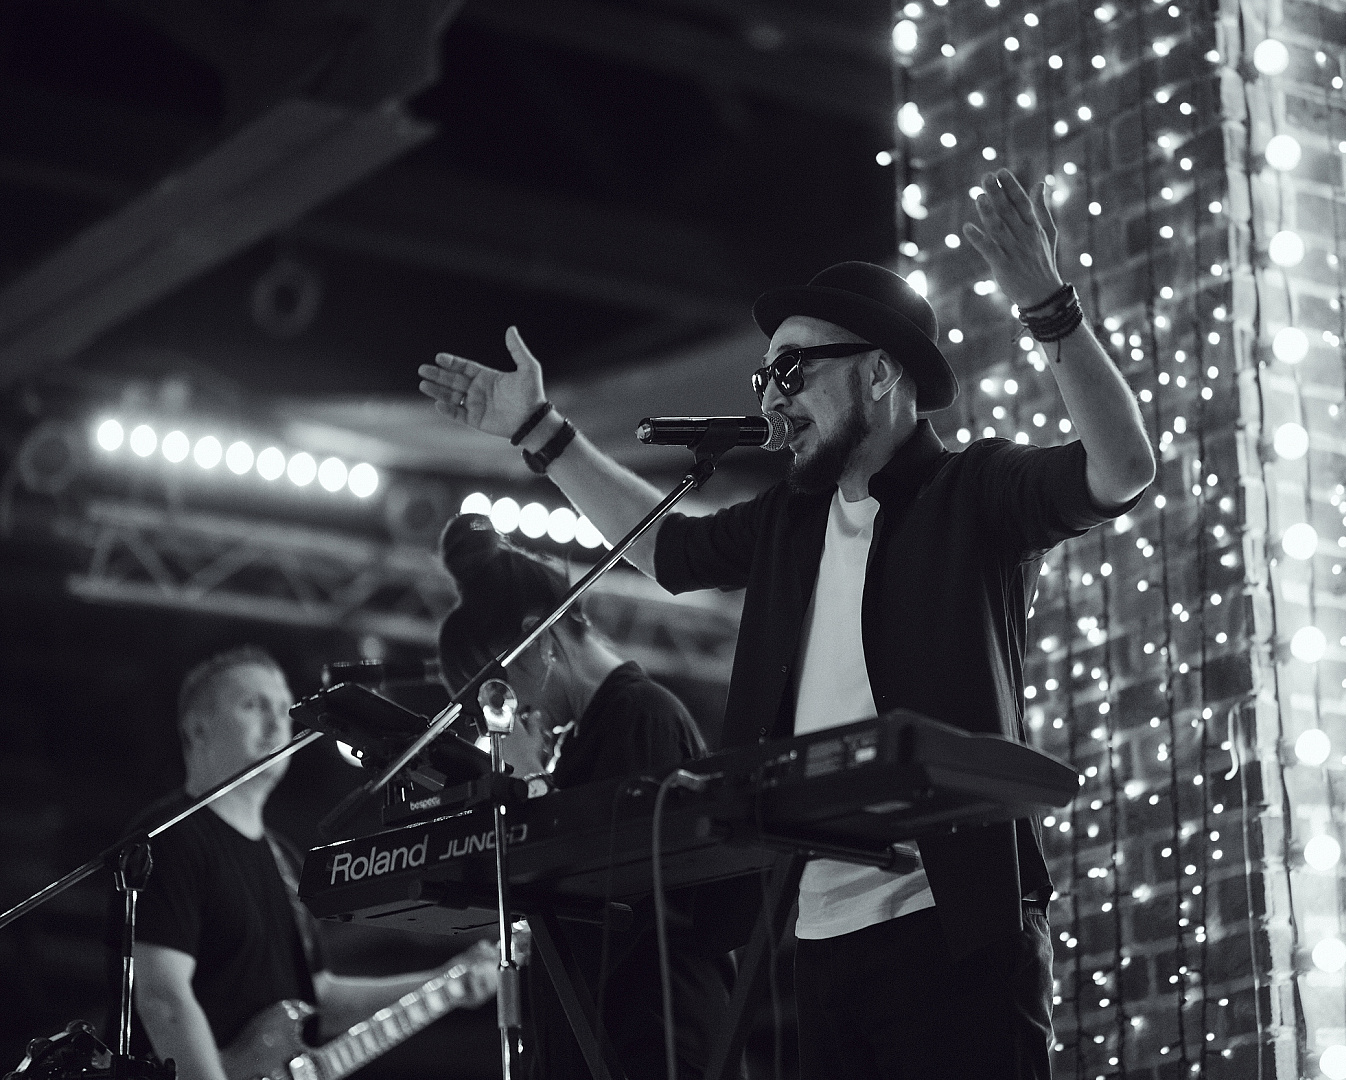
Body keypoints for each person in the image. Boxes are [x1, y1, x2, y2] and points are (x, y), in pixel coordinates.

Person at [418, 167, 1156, 1079]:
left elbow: (1121, 470)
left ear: (880, 372)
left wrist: (1049, 308)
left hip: (956, 928)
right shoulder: (790, 525)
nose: (771, 398)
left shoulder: (972, 491)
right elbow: (668, 550)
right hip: (817, 934)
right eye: (765, 375)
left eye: (794, 371)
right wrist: (540, 429)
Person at [435, 514, 733, 1080]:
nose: (502, 719)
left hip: (655, 1045)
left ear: (538, 641)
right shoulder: (585, 740)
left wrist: (532, 780)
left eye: (496, 696)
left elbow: (617, 911)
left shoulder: (639, 716)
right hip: (603, 1043)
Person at [126, 645, 493, 1080]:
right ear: (197, 729)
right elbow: (162, 997)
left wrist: (445, 983)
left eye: (282, 707)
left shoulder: (282, 859)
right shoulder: (169, 839)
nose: (276, 723)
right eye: (252, 705)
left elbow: (320, 1000)